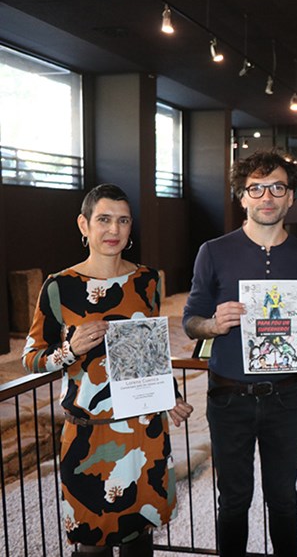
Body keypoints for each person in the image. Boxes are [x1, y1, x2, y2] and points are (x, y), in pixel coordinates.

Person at [22, 184, 193, 557]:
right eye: (103, 219)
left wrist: (170, 394)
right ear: (84, 225)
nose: (114, 229)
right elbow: (32, 357)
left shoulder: (148, 280)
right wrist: (70, 350)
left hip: (144, 431)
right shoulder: (59, 287)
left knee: (139, 537)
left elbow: (149, 350)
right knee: (91, 543)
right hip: (89, 435)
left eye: (123, 221)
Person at [182, 149, 297, 557]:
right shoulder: (213, 251)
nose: (267, 197)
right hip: (229, 398)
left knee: (284, 500)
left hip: (285, 399)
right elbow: (190, 320)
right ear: (242, 197)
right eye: (256, 188)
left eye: (277, 187)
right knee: (233, 501)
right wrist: (213, 324)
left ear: (290, 197)